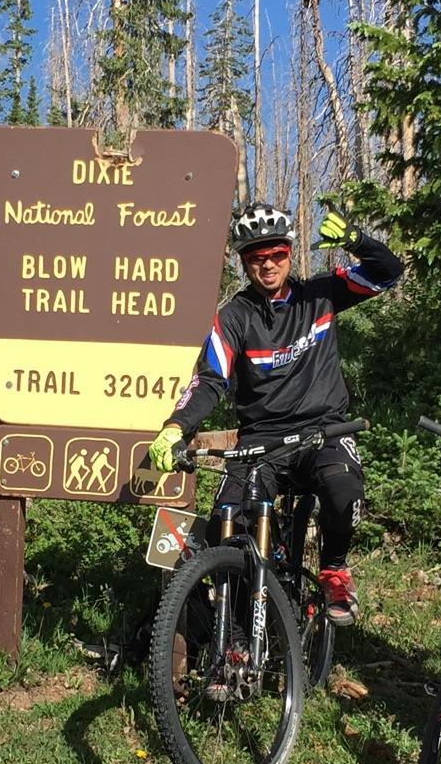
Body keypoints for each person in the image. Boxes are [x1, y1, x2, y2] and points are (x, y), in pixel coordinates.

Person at [147, 205, 403, 625]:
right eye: (255, 257)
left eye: (277, 254)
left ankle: (334, 568)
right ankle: (235, 622)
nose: (267, 265)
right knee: (222, 528)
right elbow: (210, 380)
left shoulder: (320, 294)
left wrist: (358, 241)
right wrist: (175, 427)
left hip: (324, 431)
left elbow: (389, 273)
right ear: (244, 261)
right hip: (261, 440)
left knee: (343, 493)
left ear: (289, 253)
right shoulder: (232, 317)